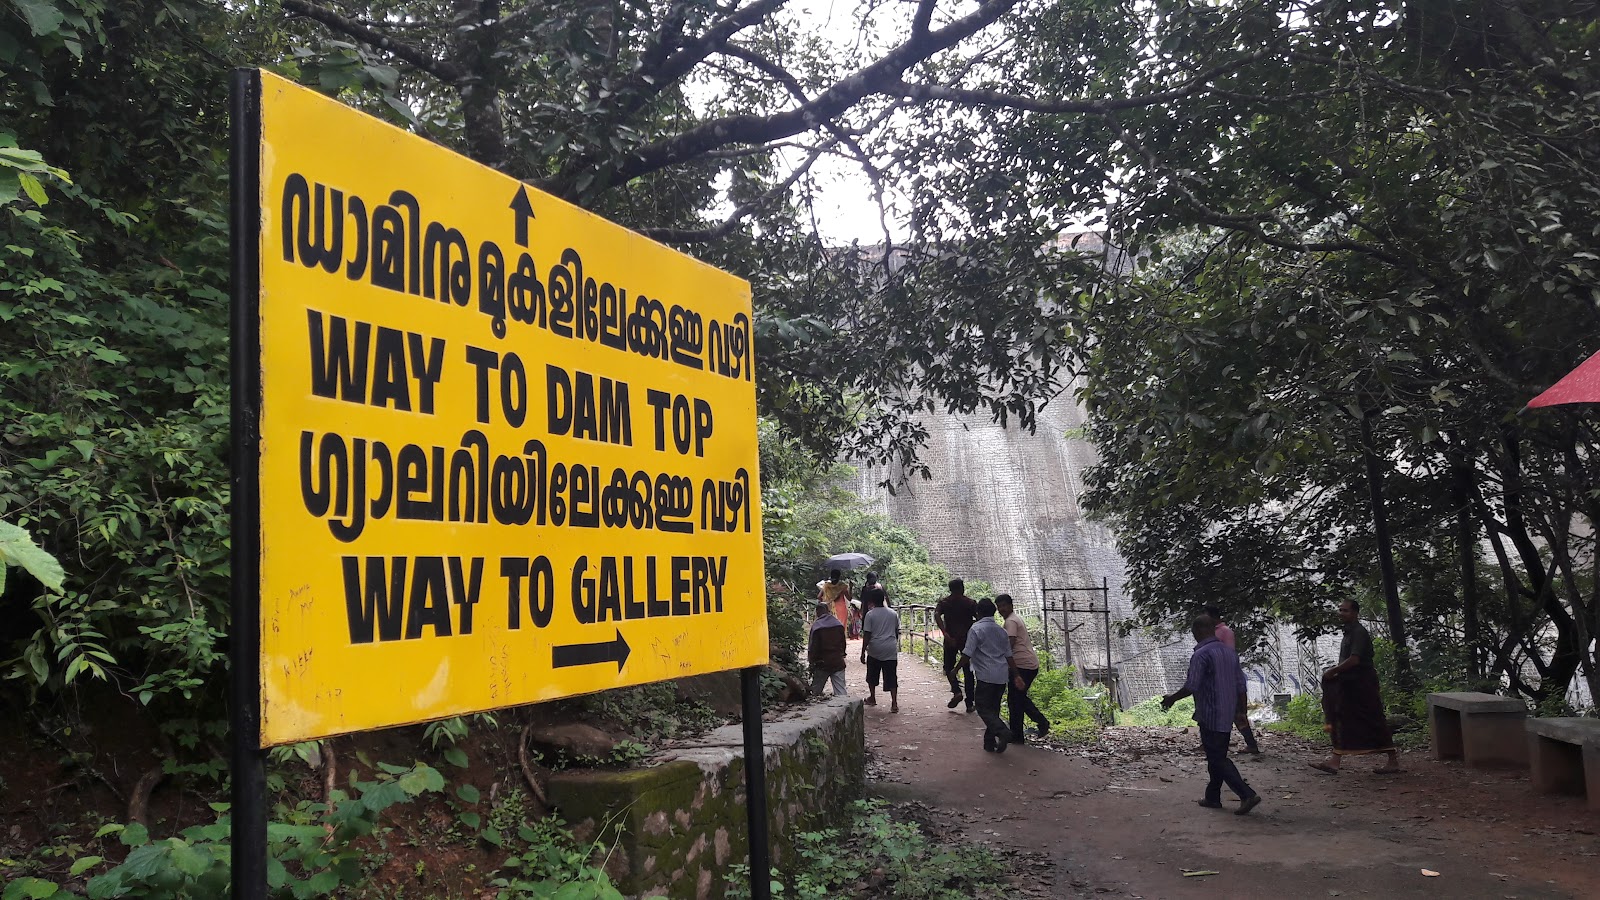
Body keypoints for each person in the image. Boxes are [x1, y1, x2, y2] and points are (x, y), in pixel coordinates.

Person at [1162, 616, 1262, 815]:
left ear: (1197, 631)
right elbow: (1241, 685)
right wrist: (1241, 711)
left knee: (1217, 757)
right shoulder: (1229, 653)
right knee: (1216, 754)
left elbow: (1192, 685)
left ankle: (1246, 794)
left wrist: (1171, 698)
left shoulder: (1201, 654)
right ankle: (1212, 797)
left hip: (1210, 711)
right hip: (1228, 711)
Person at [1311, 598, 1400, 775]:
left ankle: (1393, 760)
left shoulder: (1359, 632)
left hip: (1362, 683)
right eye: (1340, 610)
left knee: (1373, 719)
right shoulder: (1349, 632)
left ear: (1355, 613)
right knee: (1342, 718)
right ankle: (1335, 761)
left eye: (1345, 610)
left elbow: (1354, 660)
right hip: (1350, 684)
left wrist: (1333, 671)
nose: (1341, 613)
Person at [958, 598, 1020, 753]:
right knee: (994, 709)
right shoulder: (1001, 631)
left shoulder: (976, 629)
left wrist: (955, 669)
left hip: (986, 675)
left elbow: (967, 653)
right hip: (1001, 675)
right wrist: (1016, 675)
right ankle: (989, 742)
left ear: (978, 613)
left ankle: (1003, 731)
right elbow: (1009, 656)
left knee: (982, 707)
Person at [1204, 604, 1261, 756]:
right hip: (1220, 679)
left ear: (1212, 616)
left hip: (1227, 679)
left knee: (1237, 714)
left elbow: (1227, 655)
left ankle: (1250, 744)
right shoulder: (1215, 632)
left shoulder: (1224, 632)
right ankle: (1246, 744)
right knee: (1229, 714)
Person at [996, 594, 1050, 744]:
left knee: (1015, 699)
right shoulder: (1013, 619)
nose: (1001, 609)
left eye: (1004, 606)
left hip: (1022, 665)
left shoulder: (1011, 621)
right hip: (1025, 664)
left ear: (1011, 605)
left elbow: (1010, 644)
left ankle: (1023, 732)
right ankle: (1023, 731)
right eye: (999, 607)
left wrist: (999, 658)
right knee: (1017, 698)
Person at [934, 579, 979, 712]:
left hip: (950, 639)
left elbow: (936, 614)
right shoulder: (970, 603)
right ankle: (970, 702)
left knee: (948, 666)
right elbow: (979, 617)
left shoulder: (945, 602)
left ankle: (956, 690)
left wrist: (945, 632)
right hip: (966, 640)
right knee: (968, 670)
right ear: (962, 588)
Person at [859, 587, 900, 712]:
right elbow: (896, 631)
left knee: (872, 674)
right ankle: (894, 703)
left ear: (871, 601)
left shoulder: (870, 615)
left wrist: (862, 651)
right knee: (892, 676)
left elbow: (867, 635)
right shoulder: (893, 614)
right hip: (890, 647)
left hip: (875, 648)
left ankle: (872, 697)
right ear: (883, 599)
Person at [807, 601, 848, 697]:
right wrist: (842, 654)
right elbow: (843, 643)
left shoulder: (817, 627)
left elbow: (813, 646)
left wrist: (811, 661)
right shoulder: (838, 624)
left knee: (815, 692)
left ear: (818, 612)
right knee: (841, 692)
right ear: (828, 611)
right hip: (837, 661)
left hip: (822, 663)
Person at [818, 569, 851, 633]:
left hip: (828, 608)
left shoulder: (826, 586)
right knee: (840, 626)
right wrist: (851, 588)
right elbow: (849, 598)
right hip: (841, 609)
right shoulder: (842, 586)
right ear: (839, 576)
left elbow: (819, 597)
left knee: (829, 626)